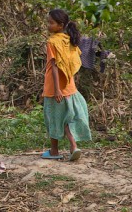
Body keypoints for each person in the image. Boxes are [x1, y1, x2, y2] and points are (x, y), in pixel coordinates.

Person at [41, 9, 91, 162]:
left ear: (60, 25)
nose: (48, 25)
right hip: (69, 86)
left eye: (51, 23)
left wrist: (56, 89)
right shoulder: (70, 40)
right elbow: (73, 62)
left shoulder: (52, 42)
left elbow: (54, 67)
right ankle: (73, 146)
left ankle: (54, 150)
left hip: (53, 88)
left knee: (54, 118)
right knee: (68, 118)